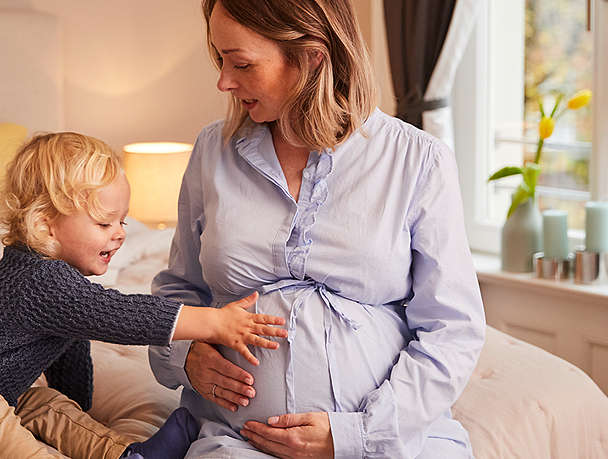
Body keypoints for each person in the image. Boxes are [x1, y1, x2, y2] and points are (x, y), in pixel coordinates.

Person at [148, 0, 486, 457]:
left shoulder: (417, 160)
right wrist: (187, 356)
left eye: (241, 63)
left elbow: (453, 329)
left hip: (387, 441)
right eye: (220, 58)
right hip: (236, 439)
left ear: (312, 56)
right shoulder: (213, 151)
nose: (223, 81)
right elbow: (175, 293)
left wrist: (355, 437)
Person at [0, 132, 289, 459]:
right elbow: (125, 315)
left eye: (123, 221)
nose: (121, 234)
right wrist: (213, 321)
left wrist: (76, 409)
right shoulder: (34, 280)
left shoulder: (61, 291)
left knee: (43, 401)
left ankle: (124, 455)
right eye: (105, 224)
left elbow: (70, 362)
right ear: (47, 226)